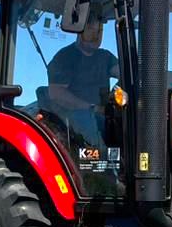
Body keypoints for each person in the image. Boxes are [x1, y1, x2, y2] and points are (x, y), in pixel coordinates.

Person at [45, 18, 118, 147]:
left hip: (102, 117)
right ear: (79, 30)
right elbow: (56, 93)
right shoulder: (65, 57)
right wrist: (91, 108)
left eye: (100, 31)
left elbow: (124, 72)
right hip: (75, 121)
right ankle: (104, 161)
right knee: (84, 117)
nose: (96, 35)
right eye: (91, 29)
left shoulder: (105, 57)